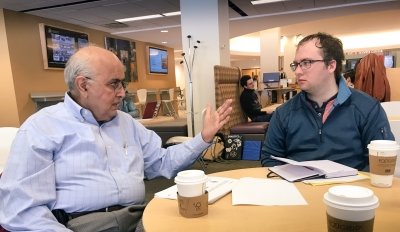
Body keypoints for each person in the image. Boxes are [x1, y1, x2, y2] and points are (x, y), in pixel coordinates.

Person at [0, 46, 233, 231]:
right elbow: (22, 211)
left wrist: (203, 137)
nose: (122, 92)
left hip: (139, 216)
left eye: (123, 84)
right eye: (114, 84)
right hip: (82, 225)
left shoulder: (126, 122)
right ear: (83, 85)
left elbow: (163, 162)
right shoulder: (41, 128)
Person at [260, 32, 394, 171]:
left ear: (331, 65)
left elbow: (381, 159)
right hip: (298, 188)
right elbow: (270, 158)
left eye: (306, 63)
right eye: (296, 64)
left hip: (351, 189)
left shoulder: (367, 108)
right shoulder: (284, 113)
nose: (298, 71)